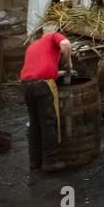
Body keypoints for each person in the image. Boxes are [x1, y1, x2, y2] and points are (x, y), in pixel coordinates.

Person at [20, 30, 72, 170]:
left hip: (27, 85)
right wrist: (66, 63)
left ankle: (35, 161)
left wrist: (63, 72)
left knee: (35, 123)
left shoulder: (33, 47)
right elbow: (66, 45)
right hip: (42, 85)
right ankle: (50, 162)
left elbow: (45, 70)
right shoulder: (53, 36)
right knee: (48, 123)